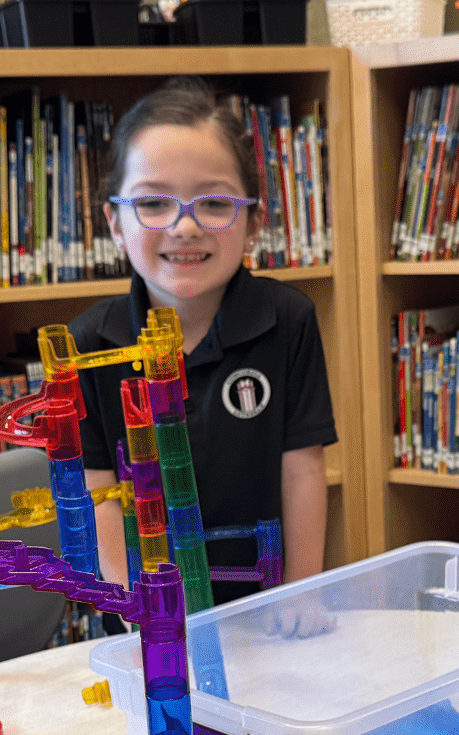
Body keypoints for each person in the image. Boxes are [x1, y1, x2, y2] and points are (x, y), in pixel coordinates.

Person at [68, 76, 335, 606]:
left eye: (213, 203)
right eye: (154, 204)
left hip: (265, 613)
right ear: (114, 224)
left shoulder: (288, 319)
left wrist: (301, 595)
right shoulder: (88, 343)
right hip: (145, 616)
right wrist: (134, 610)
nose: (184, 226)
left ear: (254, 221)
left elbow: (303, 471)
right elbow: (98, 498)